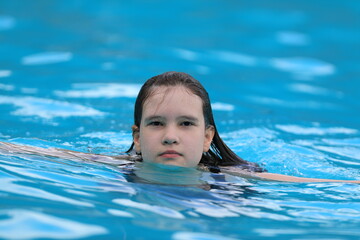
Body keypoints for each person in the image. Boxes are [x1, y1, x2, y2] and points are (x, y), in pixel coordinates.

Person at [0, 71, 359, 183]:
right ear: (137, 137)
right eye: (156, 124)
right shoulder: (122, 167)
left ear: (207, 138)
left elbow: (312, 184)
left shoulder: (230, 177)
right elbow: (49, 155)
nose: (170, 135)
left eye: (186, 124)